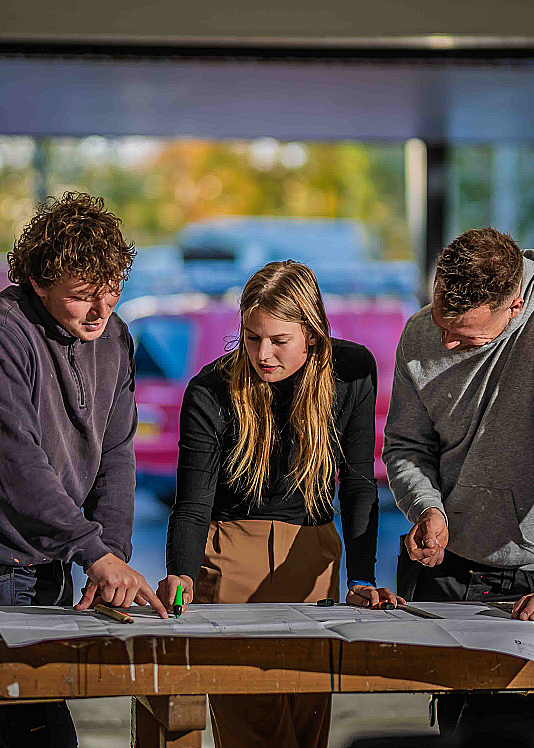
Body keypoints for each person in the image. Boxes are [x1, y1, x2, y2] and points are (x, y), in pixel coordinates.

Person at [0, 192, 166, 748]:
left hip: (45, 558)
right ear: (36, 280)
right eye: (81, 296)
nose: (101, 310)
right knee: (30, 731)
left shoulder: (115, 337)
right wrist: (92, 553)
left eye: (113, 290)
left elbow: (116, 454)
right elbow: (13, 465)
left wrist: (111, 554)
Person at [385, 228, 534, 747]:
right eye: (441, 322)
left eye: (464, 336)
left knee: (498, 741)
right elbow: (405, 446)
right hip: (442, 572)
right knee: (453, 738)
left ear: (513, 306)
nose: (443, 343)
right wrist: (425, 507)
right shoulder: (423, 331)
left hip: (527, 585)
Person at [159, 260, 400, 748]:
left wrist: (363, 578)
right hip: (230, 558)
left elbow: (356, 484)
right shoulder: (210, 389)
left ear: (311, 334)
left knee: (307, 724)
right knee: (253, 729)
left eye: (278, 341)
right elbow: (191, 504)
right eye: (251, 338)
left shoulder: (352, 372)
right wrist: (181, 573)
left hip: (312, 557)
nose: (262, 355)